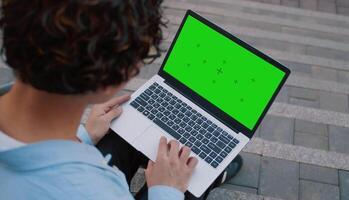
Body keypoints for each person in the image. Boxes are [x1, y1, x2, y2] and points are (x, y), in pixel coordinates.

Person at [0, 0, 242, 199]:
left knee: (118, 129)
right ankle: (212, 175)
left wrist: (83, 137)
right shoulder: (97, 191)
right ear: (108, 84)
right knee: (188, 183)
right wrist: (166, 192)